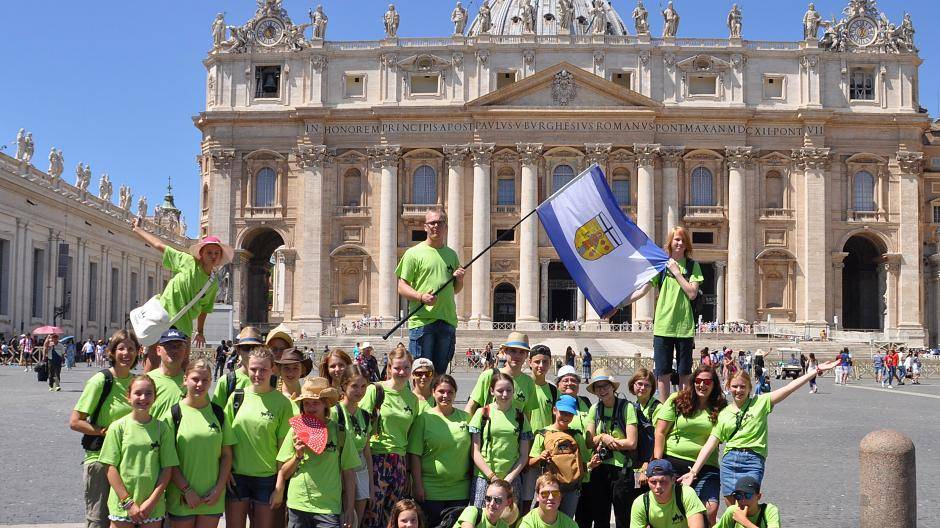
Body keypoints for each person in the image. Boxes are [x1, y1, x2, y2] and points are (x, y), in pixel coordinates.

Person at [678, 359, 839, 503]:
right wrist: (693, 472)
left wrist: (815, 370)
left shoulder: (761, 402)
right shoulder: (723, 413)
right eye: (735, 386)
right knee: (732, 508)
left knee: (747, 505)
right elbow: (710, 444)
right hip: (730, 461)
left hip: (753, 460)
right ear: (728, 387)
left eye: (743, 387)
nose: (739, 390)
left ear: (750, 388)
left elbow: (789, 388)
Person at [71, 329, 141, 528]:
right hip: (100, 459)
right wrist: (105, 431)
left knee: (126, 519)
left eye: (131, 349)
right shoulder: (101, 381)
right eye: (121, 349)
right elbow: (75, 421)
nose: (126, 353)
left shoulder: (137, 383)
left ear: (137, 352)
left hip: (128, 462)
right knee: (99, 519)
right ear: (111, 352)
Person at [623, 227, 703, 399]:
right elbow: (642, 290)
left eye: (683, 240)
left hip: (684, 327)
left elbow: (692, 293)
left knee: (684, 372)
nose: (680, 243)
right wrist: (619, 305)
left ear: (687, 244)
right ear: (670, 242)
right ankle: (665, 407)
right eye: (677, 239)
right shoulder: (660, 266)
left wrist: (676, 272)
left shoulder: (693, 266)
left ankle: (683, 406)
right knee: (662, 372)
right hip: (663, 325)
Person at [131, 219, 232, 351]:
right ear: (201, 254)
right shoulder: (188, 261)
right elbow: (160, 245)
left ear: (220, 257)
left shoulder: (213, 283)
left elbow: (205, 309)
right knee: (154, 356)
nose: (213, 256)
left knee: (183, 360)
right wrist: (138, 230)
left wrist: (200, 331)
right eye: (209, 252)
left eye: (216, 253)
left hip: (184, 324)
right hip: (162, 315)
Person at [273, 377, 358, 528]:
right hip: (298, 504)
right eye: (306, 403)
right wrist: (297, 456)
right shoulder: (295, 430)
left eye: (315, 403)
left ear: (325, 403)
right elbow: (283, 473)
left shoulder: (340, 432)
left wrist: (350, 507)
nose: (310, 408)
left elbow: (349, 472)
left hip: (329, 507)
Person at [225, 347, 294, 528]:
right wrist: (225, 471)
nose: (257, 374)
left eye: (263, 369)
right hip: (237, 476)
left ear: (272, 369)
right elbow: (225, 441)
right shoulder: (236, 398)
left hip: (267, 478)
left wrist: (279, 486)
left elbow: (283, 449)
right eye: (253, 369)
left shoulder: (282, 404)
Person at [98, 375, 179, 528]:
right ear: (128, 397)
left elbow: (167, 469)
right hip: (122, 504)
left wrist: (152, 502)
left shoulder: (162, 429)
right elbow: (109, 467)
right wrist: (127, 502)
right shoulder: (118, 427)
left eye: (148, 393)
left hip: (152, 506)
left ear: (155, 397)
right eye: (138, 393)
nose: (143, 398)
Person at [165, 359, 234, 528]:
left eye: (205, 380)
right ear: (185, 380)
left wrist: (218, 489)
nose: (200, 384)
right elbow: (168, 460)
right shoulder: (173, 414)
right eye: (195, 379)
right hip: (182, 497)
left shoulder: (218, 413)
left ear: (210, 382)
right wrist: (186, 490)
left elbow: (226, 455)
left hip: (212, 497)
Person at [395, 209, 466, 374]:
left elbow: (455, 290)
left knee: (440, 377)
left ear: (445, 227)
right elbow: (401, 286)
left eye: (440, 223)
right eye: (432, 223)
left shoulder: (452, 254)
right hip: (422, 322)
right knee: (422, 374)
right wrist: (420, 296)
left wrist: (460, 279)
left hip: (447, 320)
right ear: (425, 227)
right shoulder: (413, 253)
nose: (436, 226)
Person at [653, 366, 726, 524]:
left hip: (706, 465)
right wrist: (657, 463)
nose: (702, 385)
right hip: (672, 462)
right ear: (693, 382)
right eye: (698, 381)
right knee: (675, 510)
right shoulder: (677, 399)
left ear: (714, 384)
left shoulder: (721, 406)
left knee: (710, 510)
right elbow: (660, 432)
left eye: (707, 382)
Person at [361, 345, 420, 528]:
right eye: (397, 368)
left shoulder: (413, 399)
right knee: (372, 515)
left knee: (393, 518)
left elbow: (410, 435)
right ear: (389, 368)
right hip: (376, 459)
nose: (402, 372)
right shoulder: (375, 390)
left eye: (406, 368)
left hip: (399, 462)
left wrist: (408, 472)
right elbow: (362, 426)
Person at [407, 374, 472, 527]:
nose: (445, 396)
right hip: (431, 490)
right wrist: (417, 485)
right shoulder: (423, 419)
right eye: (441, 391)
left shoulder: (466, 418)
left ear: (455, 393)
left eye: (450, 392)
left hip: (460, 490)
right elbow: (415, 455)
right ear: (433, 392)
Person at [469, 371, 533, 508]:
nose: (505, 394)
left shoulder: (520, 417)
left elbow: (523, 455)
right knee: (482, 515)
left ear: (514, 391)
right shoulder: (482, 413)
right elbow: (475, 451)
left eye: (509, 390)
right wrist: (492, 477)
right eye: (500, 390)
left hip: (511, 478)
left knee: (509, 516)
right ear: (492, 391)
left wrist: (509, 478)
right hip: (484, 477)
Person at [528, 395, 599, 517]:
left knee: (566, 520)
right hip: (549, 488)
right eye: (563, 413)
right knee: (544, 519)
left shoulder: (576, 436)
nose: (566, 417)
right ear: (554, 410)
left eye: (570, 414)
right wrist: (540, 457)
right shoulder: (542, 434)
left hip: (571, 489)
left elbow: (582, 464)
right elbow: (530, 462)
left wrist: (591, 464)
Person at [583, 368, 636, 528]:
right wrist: (603, 437)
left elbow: (632, 442)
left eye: (605, 385)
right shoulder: (594, 409)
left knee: (622, 517)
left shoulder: (627, 407)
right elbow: (589, 441)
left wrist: (611, 441)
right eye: (598, 387)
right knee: (600, 517)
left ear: (613, 387)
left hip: (622, 469)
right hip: (600, 467)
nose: (602, 390)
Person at [337, 366, 375, 528]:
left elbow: (367, 451)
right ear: (344, 385)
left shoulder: (365, 415)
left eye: (363, 386)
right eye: (354, 386)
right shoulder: (335, 412)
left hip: (361, 470)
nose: (359, 391)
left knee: (355, 522)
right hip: (340, 472)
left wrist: (371, 486)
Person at [621, 368, 661, 519]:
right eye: (639, 384)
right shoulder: (633, 405)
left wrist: (647, 465)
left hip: (649, 463)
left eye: (647, 385)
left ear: (652, 388)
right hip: (635, 463)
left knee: (648, 507)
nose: (642, 388)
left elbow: (658, 439)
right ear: (633, 385)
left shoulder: (657, 408)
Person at [465, 332, 537, 416]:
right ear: (505, 351)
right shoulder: (489, 375)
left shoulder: (529, 382)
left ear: (526, 355)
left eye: (522, 352)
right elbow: (470, 407)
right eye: (513, 351)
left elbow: (527, 415)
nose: (517, 355)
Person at [629, 460, 706, 528]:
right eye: (653, 482)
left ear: (673, 480)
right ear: (648, 481)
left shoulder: (686, 493)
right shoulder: (641, 503)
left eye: (663, 481)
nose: (658, 486)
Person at [212, 327, 265, 407]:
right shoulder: (226, 381)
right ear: (238, 350)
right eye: (246, 348)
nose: (250, 353)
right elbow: (216, 412)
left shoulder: (269, 379)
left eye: (255, 348)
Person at [148, 329, 189, 421]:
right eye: (169, 346)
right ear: (158, 350)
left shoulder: (192, 382)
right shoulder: (147, 380)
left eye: (179, 346)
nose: (174, 350)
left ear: (185, 351)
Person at [713, 476, 780, 528]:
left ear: (758, 496)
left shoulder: (769, 511)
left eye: (748, 495)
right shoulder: (732, 512)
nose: (743, 500)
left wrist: (744, 521)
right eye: (738, 496)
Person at [453, 479, 517, 528]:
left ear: (508, 502)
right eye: (488, 498)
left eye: (497, 500)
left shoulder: (503, 526)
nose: (492, 503)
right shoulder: (471, 511)